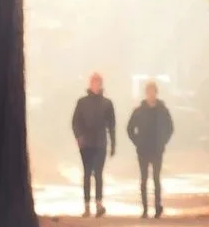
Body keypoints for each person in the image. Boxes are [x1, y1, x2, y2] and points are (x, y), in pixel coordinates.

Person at [127, 79, 174, 218]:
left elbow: (170, 128)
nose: (151, 94)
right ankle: (145, 209)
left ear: (156, 93)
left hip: (157, 149)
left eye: (153, 91)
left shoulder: (162, 110)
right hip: (143, 149)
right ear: (146, 93)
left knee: (156, 179)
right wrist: (137, 142)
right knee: (143, 179)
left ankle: (158, 207)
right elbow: (130, 128)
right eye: (149, 92)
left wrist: (163, 141)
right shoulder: (139, 111)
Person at [71, 73, 117, 216]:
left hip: (100, 143)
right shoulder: (82, 102)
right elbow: (75, 121)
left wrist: (113, 143)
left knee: (98, 173)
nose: (96, 85)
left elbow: (111, 125)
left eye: (98, 83)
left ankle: (98, 203)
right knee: (87, 173)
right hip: (86, 143)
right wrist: (79, 136)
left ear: (101, 85)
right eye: (94, 82)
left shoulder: (107, 103)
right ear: (90, 84)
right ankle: (86, 205)